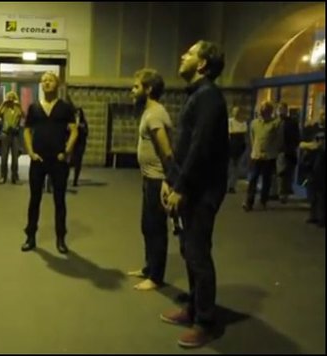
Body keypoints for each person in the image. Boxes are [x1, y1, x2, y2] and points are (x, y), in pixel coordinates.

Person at [161, 40, 229, 348]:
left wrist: (182, 187)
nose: (182, 55)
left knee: (198, 254)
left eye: (189, 53)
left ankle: (206, 322)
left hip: (202, 192)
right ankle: (192, 308)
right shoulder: (198, 96)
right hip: (189, 189)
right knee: (189, 251)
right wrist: (171, 181)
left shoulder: (209, 98)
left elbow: (200, 149)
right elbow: (184, 148)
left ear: (202, 64)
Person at [128, 68, 174, 291]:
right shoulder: (148, 112)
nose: (132, 90)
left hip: (158, 179)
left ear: (149, 89)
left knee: (156, 228)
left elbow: (167, 151)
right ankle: (149, 268)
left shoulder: (155, 114)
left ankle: (156, 277)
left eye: (136, 87)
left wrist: (169, 180)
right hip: (149, 179)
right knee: (147, 226)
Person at [22, 72, 78, 254]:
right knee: (34, 200)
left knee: (59, 200)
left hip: (58, 161)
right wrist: (30, 152)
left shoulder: (65, 108)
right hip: (38, 160)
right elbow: (27, 131)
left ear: (58, 84)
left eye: (50, 80)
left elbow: (74, 131)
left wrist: (67, 151)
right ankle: (30, 236)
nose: (46, 83)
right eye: (44, 81)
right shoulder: (34, 108)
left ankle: (61, 238)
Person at [243, 101, 283, 211]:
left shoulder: (276, 123)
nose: (263, 112)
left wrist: (273, 150)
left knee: (266, 179)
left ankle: (263, 200)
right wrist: (255, 149)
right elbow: (252, 137)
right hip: (256, 155)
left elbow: (279, 140)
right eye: (262, 110)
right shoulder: (254, 123)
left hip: (269, 157)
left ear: (270, 112)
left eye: (265, 111)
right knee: (253, 178)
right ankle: (249, 201)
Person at [0, 91, 24, 184]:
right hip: (5, 134)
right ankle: (3, 176)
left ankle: (15, 177)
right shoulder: (5, 108)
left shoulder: (17, 108)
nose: (11, 99)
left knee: (15, 158)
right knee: (4, 157)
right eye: (9, 97)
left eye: (13, 97)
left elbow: (24, 116)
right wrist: (3, 103)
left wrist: (19, 106)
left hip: (15, 135)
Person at [276, 102, 300, 204]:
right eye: (279, 109)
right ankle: (280, 193)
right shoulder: (275, 122)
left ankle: (283, 193)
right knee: (280, 173)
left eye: (283, 109)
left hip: (288, 151)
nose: (281, 111)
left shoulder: (292, 122)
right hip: (277, 150)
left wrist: (293, 146)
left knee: (285, 173)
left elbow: (296, 136)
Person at [227, 106, 247, 193]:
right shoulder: (229, 122)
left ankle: (231, 186)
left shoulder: (243, 123)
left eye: (237, 112)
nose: (236, 113)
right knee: (229, 168)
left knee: (236, 168)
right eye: (234, 111)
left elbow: (244, 137)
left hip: (239, 148)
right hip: (230, 147)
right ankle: (227, 185)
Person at [70, 104, 88, 187]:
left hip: (80, 144)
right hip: (72, 144)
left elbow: (86, 132)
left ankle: (75, 180)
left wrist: (81, 127)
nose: (77, 115)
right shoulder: (71, 121)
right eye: (76, 113)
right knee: (69, 162)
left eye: (78, 113)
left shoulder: (83, 122)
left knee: (78, 162)